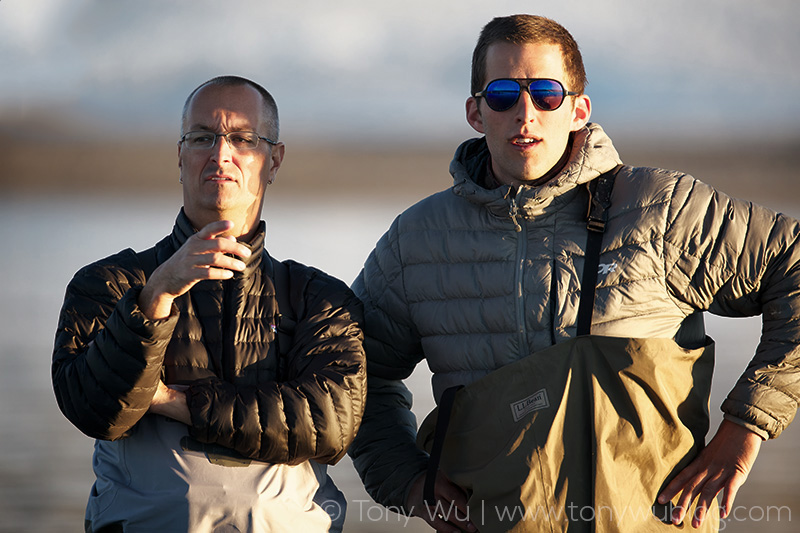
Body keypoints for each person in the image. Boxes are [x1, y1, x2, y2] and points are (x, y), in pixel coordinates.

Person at [348, 14, 800, 533]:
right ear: (475, 112)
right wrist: (409, 482)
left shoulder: (659, 210)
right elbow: (355, 376)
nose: (526, 113)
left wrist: (745, 427)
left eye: (546, 93)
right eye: (502, 95)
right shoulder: (418, 242)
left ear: (579, 109)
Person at [52, 75, 366, 533]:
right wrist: (155, 296)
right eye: (202, 138)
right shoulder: (108, 284)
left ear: (272, 160)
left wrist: (169, 400)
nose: (220, 155)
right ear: (179, 156)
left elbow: (329, 425)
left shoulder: (320, 298)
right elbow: (93, 408)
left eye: (242, 139)